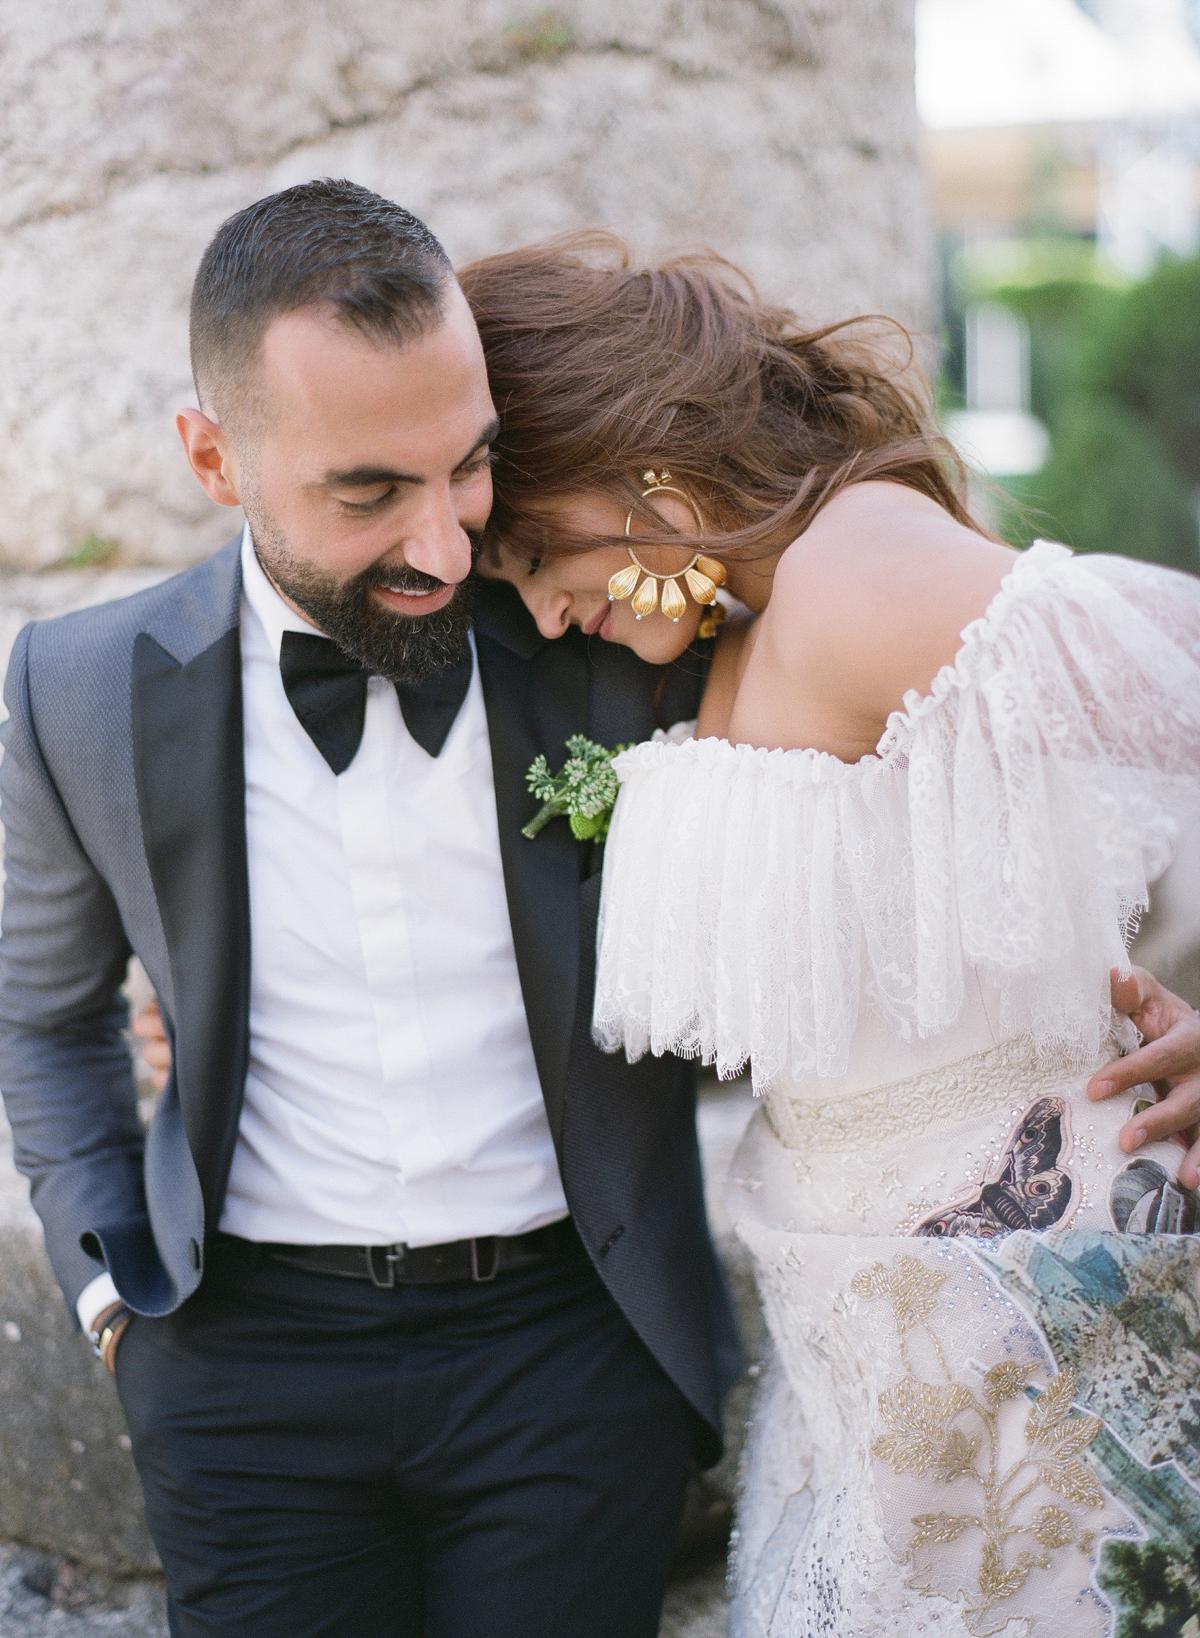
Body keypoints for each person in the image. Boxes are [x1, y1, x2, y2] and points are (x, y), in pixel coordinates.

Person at [0, 182, 743, 1638]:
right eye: (367, 492)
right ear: (213, 456)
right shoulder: (75, 691)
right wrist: (110, 1298)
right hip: (244, 1377)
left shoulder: (607, 641)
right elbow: (42, 1015)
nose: (449, 547)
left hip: (570, 1353)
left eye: (466, 467)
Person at [456, 234, 1200, 1633]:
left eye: (539, 552)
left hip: (1034, 1318)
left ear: (641, 461)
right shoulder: (747, 616)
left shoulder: (857, 568)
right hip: (877, 1347)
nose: (546, 606)